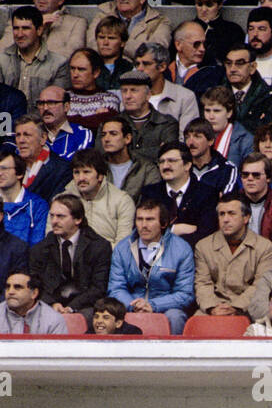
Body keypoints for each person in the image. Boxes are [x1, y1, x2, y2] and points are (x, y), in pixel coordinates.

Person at [108, 198, 195, 334]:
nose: (144, 225)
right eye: (139, 219)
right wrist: (134, 305)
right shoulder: (123, 247)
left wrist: (153, 305)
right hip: (131, 305)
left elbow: (185, 293)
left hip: (166, 307)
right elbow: (116, 288)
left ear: (163, 223)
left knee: (176, 317)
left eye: (150, 219)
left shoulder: (181, 249)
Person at [194, 193, 272, 316]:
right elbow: (202, 283)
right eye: (222, 214)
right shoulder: (203, 246)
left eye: (232, 214)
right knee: (198, 322)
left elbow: (260, 285)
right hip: (214, 308)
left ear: (246, 218)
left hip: (248, 308)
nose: (225, 219)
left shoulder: (264, 247)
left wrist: (236, 307)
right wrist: (212, 308)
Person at [29, 192, 111, 314]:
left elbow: (98, 288)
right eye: (52, 216)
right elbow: (34, 283)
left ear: (78, 219)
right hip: (50, 304)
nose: (54, 221)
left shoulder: (99, 246)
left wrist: (72, 307)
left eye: (61, 216)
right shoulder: (40, 248)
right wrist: (52, 303)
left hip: (86, 305)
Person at [139, 142, 218, 248]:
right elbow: (142, 229)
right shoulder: (150, 193)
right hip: (154, 255)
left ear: (187, 165)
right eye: (162, 162)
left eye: (172, 161)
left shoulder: (207, 193)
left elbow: (206, 234)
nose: (165, 166)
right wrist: (174, 229)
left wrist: (162, 234)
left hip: (193, 256)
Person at [66, 147, 134, 246]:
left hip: (107, 259)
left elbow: (122, 247)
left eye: (86, 172)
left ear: (100, 176)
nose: (81, 178)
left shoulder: (122, 201)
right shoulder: (61, 201)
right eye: (77, 172)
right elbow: (52, 241)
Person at [0, 269, 69, 334]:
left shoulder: (54, 320)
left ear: (34, 293)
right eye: (8, 287)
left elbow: (56, 356)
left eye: (18, 287)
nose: (10, 292)